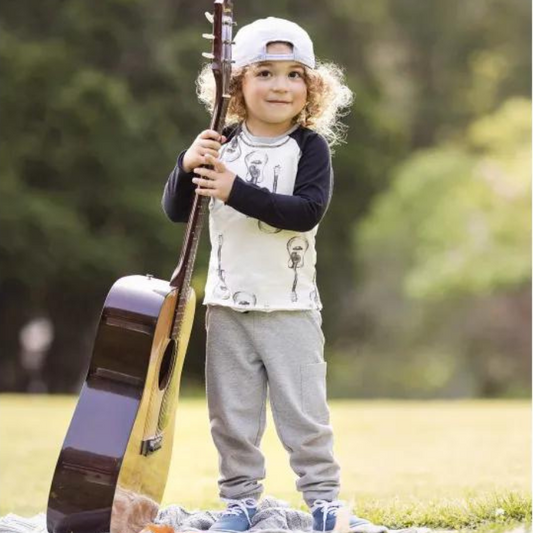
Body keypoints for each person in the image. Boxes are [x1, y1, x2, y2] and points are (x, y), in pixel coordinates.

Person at [162, 16, 369, 533]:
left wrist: (234, 190)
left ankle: (323, 500)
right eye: (266, 73)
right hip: (228, 307)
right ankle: (240, 501)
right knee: (232, 418)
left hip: (291, 307)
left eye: (295, 75)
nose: (281, 86)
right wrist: (187, 164)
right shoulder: (220, 142)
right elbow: (175, 209)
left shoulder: (309, 148)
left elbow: (305, 212)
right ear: (237, 85)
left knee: (303, 415)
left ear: (311, 88)